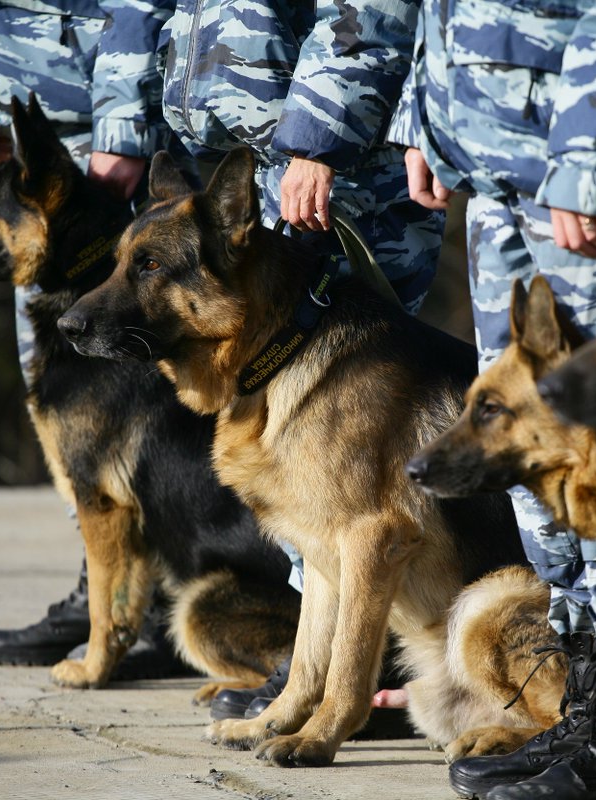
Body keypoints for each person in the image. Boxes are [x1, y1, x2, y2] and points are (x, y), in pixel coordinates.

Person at [388, 1, 596, 798]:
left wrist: (589, 147)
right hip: (490, 152)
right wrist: (428, 112)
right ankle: (587, 696)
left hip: (578, 157)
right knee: (525, 447)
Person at [157, 0, 446, 720]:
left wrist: (318, 139)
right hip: (242, 149)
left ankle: (363, 683)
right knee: (300, 472)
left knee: (347, 466)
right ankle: (314, 677)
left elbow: (368, 10)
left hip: (334, 163)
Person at [0, 0, 192, 678]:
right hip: (34, 116)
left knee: (122, 421)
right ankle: (118, 600)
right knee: (82, 443)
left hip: (102, 132)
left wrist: (120, 123)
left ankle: (139, 609)